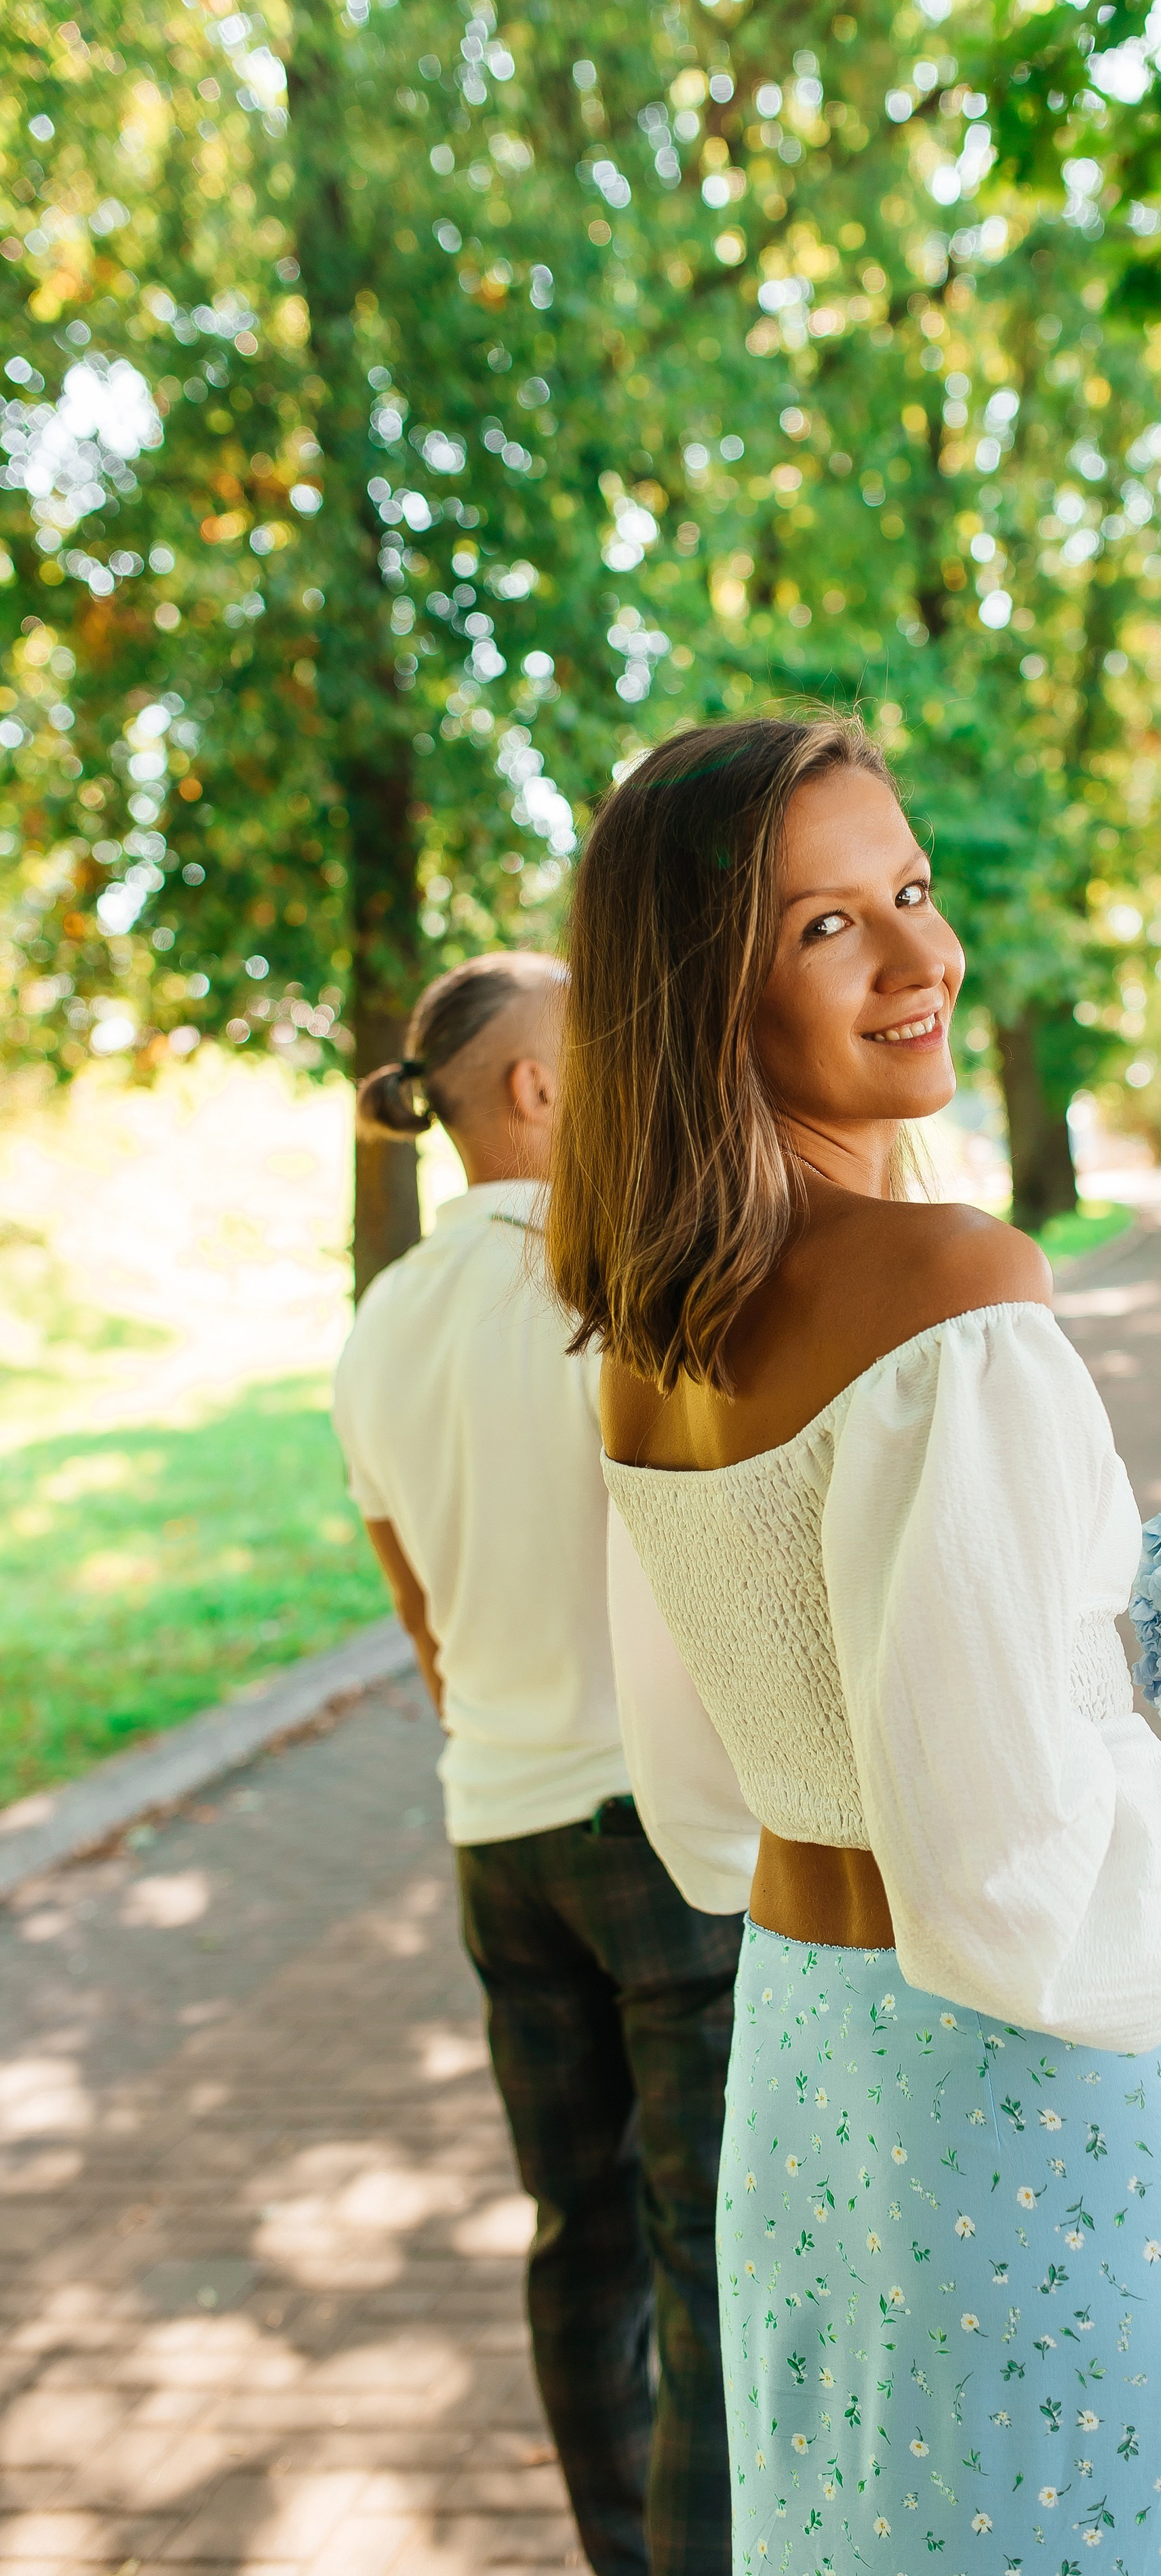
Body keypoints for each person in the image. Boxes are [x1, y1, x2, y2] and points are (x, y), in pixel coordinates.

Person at [543, 717, 1161, 2575]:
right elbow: (1009, 1882)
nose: (925, 960)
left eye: (909, 892)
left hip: (817, 2082)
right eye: (829, 927)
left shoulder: (648, 1345)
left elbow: (702, 1803)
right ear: (701, 996)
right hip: (1034, 2124)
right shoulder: (953, 1299)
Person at [330, 950, 748, 2576]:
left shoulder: (379, 1325)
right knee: (708, 2252)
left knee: (579, 2244)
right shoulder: (616, 1279)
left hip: (494, 1837)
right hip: (654, 1831)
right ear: (533, 1088)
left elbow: (420, 1629)